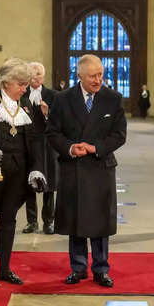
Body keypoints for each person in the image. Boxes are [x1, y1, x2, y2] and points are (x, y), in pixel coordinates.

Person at [46, 54, 127, 288]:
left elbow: (119, 135)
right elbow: (53, 133)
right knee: (76, 221)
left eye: (100, 74)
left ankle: (101, 269)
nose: (98, 79)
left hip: (100, 167)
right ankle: (78, 268)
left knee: (100, 221)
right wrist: (70, 148)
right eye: (92, 75)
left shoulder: (113, 99)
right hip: (74, 168)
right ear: (79, 75)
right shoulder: (62, 99)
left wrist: (95, 147)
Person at [0, 58, 46, 288]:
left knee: (9, 221)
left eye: (26, 84)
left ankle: (4, 269)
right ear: (6, 83)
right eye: (21, 84)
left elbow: (33, 140)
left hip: (17, 173)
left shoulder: (25, 104)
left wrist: (36, 168)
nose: (25, 89)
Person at [23, 61, 57, 235]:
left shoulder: (53, 95)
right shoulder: (22, 94)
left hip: (47, 144)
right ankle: (31, 221)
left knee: (49, 184)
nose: (35, 77)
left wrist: (47, 113)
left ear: (43, 77)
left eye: (38, 74)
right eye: (32, 74)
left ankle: (49, 221)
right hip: (28, 143)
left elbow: (60, 122)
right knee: (30, 182)